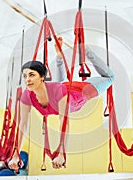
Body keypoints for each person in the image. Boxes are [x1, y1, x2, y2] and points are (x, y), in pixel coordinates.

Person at [8, 37, 114, 170]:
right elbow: (23, 125)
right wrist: (15, 154)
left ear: (42, 77)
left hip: (81, 91)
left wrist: (62, 153)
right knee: (61, 82)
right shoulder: (27, 95)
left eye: (32, 75)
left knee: (110, 77)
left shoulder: (57, 90)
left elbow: (64, 122)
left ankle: (86, 50)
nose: (27, 80)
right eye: (25, 76)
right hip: (62, 88)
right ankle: (59, 56)